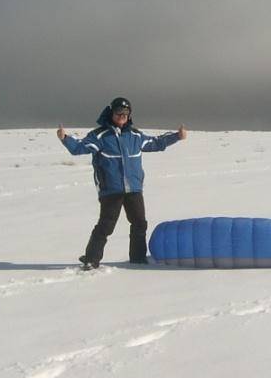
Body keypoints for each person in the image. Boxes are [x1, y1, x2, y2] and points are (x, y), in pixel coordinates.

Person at [57, 97, 187, 269]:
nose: (122, 116)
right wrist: (65, 138)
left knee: (139, 223)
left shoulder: (135, 135)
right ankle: (91, 259)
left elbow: (156, 143)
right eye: (119, 113)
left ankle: (138, 258)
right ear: (112, 113)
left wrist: (177, 136)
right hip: (111, 189)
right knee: (106, 225)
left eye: (126, 113)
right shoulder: (100, 136)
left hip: (133, 188)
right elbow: (78, 148)